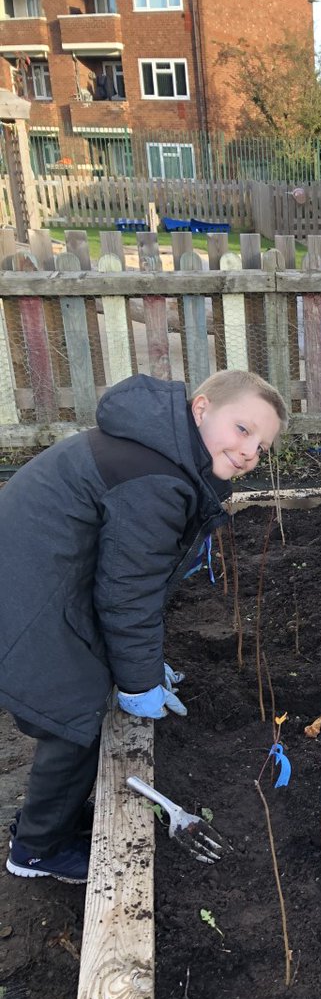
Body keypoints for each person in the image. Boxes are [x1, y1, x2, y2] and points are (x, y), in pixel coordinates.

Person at [2, 370, 286, 884]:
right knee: (75, 717)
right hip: (25, 596)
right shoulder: (157, 478)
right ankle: (36, 850)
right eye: (243, 429)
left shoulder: (156, 453)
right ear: (201, 409)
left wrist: (145, 664)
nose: (249, 452)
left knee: (83, 700)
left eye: (262, 446)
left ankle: (53, 822)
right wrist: (137, 682)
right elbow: (127, 592)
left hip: (41, 578)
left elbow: (125, 572)